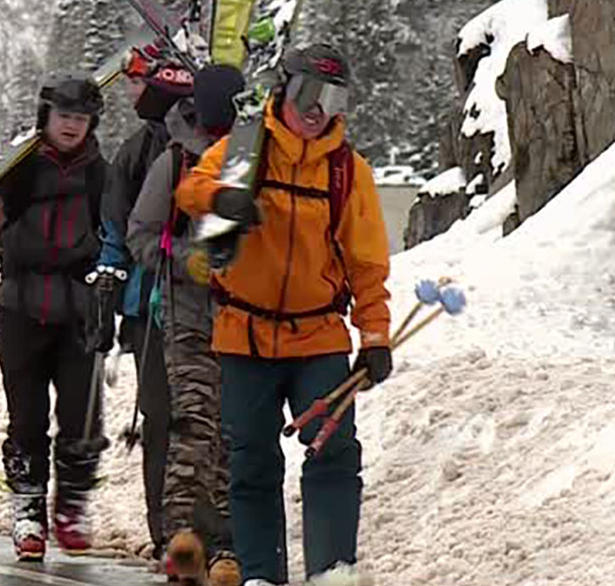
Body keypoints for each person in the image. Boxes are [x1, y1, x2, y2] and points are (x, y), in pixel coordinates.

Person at [175, 45, 393, 586]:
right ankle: (260, 575)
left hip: (318, 336)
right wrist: (224, 199)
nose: (318, 109)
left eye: (333, 98)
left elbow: (367, 263)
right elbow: (190, 190)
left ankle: (330, 574)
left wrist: (375, 336)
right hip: (243, 336)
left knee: (334, 452)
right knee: (251, 464)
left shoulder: (348, 172)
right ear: (283, 89)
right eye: (309, 94)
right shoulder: (245, 149)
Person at [0, 70, 109, 562]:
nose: (72, 126)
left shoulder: (101, 173)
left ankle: (72, 505)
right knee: (26, 418)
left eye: (81, 118)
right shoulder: (20, 163)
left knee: (81, 417)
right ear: (46, 117)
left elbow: (121, 223)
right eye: (64, 116)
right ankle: (28, 510)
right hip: (20, 308)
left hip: (78, 311)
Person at [127, 63, 246, 586]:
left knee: (232, 432)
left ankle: (225, 543)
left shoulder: (251, 159)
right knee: (193, 425)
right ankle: (181, 537)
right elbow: (141, 234)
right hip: (188, 316)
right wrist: (183, 261)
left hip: (246, 318)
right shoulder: (175, 161)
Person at [95, 48, 194, 561]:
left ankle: (194, 522)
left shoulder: (206, 150)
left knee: (193, 417)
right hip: (149, 305)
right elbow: (116, 228)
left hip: (191, 301)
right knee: (160, 416)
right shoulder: (135, 154)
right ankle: (165, 528)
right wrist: (111, 291)